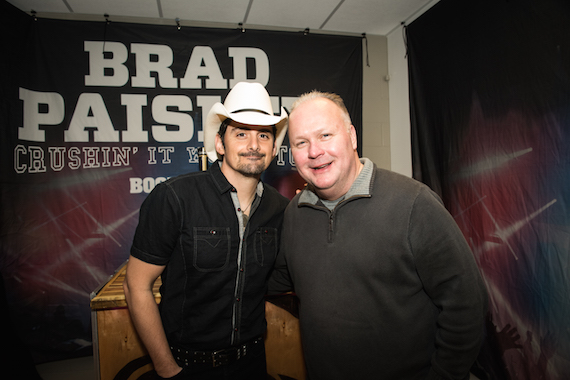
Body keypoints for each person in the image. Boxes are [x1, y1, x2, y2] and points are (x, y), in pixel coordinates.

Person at [269, 90, 489, 380]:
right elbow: (274, 279)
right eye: (301, 142)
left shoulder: (414, 204)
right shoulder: (296, 213)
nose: (314, 151)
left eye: (325, 136)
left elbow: (468, 305)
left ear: (351, 136)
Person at [123, 82, 290, 380]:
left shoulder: (280, 209)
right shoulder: (175, 197)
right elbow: (136, 286)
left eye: (263, 135)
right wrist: (167, 369)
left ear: (274, 148)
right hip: (186, 366)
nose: (253, 145)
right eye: (241, 133)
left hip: (251, 363)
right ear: (220, 143)